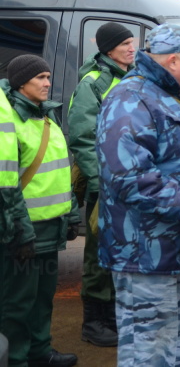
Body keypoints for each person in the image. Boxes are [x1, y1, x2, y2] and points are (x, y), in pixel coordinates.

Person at [96, 24, 180, 367]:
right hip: (147, 256)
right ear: (172, 61)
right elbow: (128, 176)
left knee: (175, 348)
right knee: (150, 351)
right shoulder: (131, 98)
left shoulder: (170, 96)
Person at [0, 55, 79, 367]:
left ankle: (39, 352)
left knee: (43, 296)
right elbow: (6, 184)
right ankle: (16, 359)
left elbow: (60, 170)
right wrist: (19, 230)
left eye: (48, 77)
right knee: (17, 302)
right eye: (41, 78)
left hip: (49, 227)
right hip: (24, 230)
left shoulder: (45, 116)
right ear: (22, 83)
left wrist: (71, 213)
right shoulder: (9, 120)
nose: (48, 83)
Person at [67, 21, 135, 347]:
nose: (131, 47)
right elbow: (82, 138)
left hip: (130, 184)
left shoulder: (134, 78)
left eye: (131, 42)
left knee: (121, 251)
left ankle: (113, 316)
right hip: (106, 186)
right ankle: (94, 322)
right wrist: (100, 182)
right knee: (98, 253)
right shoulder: (92, 83)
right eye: (124, 44)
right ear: (109, 49)